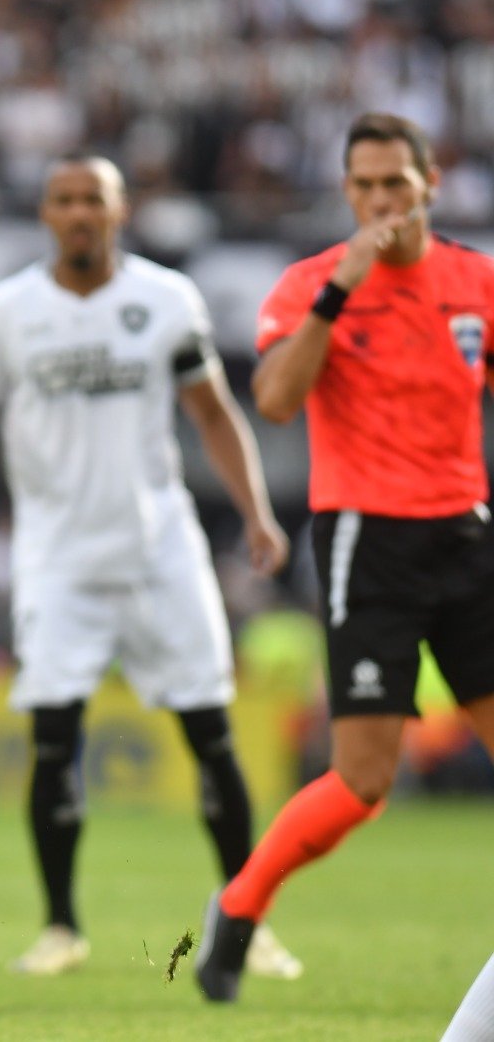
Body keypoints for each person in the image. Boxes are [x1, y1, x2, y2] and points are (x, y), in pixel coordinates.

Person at [0, 154, 299, 978]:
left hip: (158, 548)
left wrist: (255, 512)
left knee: (211, 734)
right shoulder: (7, 311)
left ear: (119, 211)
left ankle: (247, 924)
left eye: (91, 202)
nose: (77, 214)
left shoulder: (164, 300)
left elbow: (213, 413)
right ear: (45, 213)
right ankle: (62, 926)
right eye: (63, 200)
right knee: (54, 735)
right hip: (58, 557)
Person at [195, 111, 494, 1002]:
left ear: (428, 185)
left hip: (468, 536)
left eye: (394, 185)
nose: (379, 202)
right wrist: (341, 295)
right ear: (346, 191)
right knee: (364, 781)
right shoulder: (312, 283)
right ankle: (241, 905)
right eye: (363, 187)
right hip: (371, 543)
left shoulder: (475, 281)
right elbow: (278, 399)